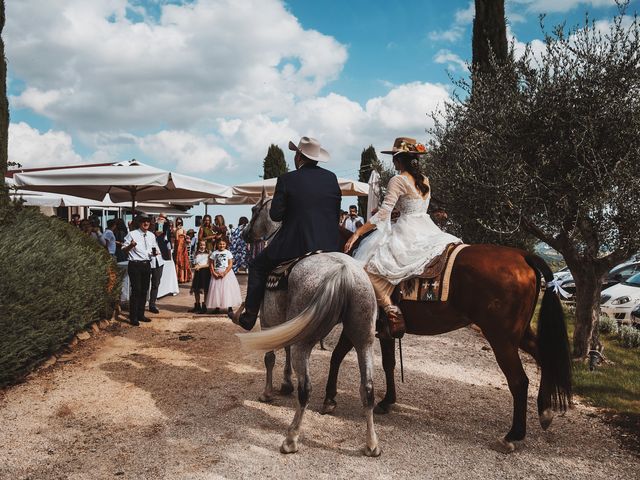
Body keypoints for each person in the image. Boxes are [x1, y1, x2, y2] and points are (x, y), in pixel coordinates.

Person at [344, 137, 461, 339]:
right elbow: (411, 206)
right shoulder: (425, 180)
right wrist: (391, 211)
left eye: (394, 158)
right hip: (426, 227)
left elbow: (382, 216)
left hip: (407, 230)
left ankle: (391, 313)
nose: (393, 163)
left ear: (398, 160)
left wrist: (357, 233)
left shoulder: (397, 180)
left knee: (367, 270)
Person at [234, 136, 342, 330]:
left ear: (299, 156)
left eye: (295, 154)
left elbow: (275, 215)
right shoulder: (331, 178)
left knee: (257, 265)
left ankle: (249, 316)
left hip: (297, 243)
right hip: (331, 245)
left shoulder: (287, 179)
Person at [122, 214, 161, 326]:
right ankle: (133, 317)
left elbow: (155, 248)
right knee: (136, 290)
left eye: (148, 221)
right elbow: (124, 250)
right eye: (143, 221)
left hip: (147, 264)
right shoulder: (132, 234)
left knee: (144, 290)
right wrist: (131, 246)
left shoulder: (151, 235)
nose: (146, 223)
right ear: (139, 223)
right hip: (135, 265)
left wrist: (155, 252)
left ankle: (141, 314)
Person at [206, 238, 242, 315]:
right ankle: (217, 307)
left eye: (223, 244)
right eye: (220, 244)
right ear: (217, 245)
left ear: (226, 245)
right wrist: (213, 273)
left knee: (227, 290)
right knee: (216, 291)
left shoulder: (228, 253)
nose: (222, 245)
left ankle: (229, 307)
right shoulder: (214, 253)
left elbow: (230, 264)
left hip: (227, 274)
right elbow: (211, 264)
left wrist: (225, 272)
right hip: (216, 273)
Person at [147, 217, 165, 314]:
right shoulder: (143, 235)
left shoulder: (158, 234)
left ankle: (152, 304)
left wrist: (161, 221)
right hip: (148, 261)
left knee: (155, 284)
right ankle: (143, 303)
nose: (152, 225)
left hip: (159, 261)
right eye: (152, 223)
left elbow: (162, 230)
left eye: (154, 223)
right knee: (145, 284)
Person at [189, 239, 212, 314]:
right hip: (197, 272)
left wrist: (200, 266)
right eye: (201, 245)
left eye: (203, 245)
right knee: (196, 289)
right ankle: (197, 305)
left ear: (206, 245)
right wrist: (195, 265)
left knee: (205, 290)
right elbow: (195, 262)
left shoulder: (209, 253)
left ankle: (204, 306)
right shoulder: (196, 252)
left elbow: (209, 264)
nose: (202, 246)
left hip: (205, 272)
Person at [174, 217, 192, 283]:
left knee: (185, 261)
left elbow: (185, 238)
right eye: (178, 222)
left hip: (183, 246)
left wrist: (186, 237)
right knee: (178, 260)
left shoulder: (184, 230)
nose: (179, 223)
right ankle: (178, 277)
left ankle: (185, 277)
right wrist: (177, 231)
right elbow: (176, 239)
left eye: (180, 222)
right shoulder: (174, 229)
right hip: (178, 246)